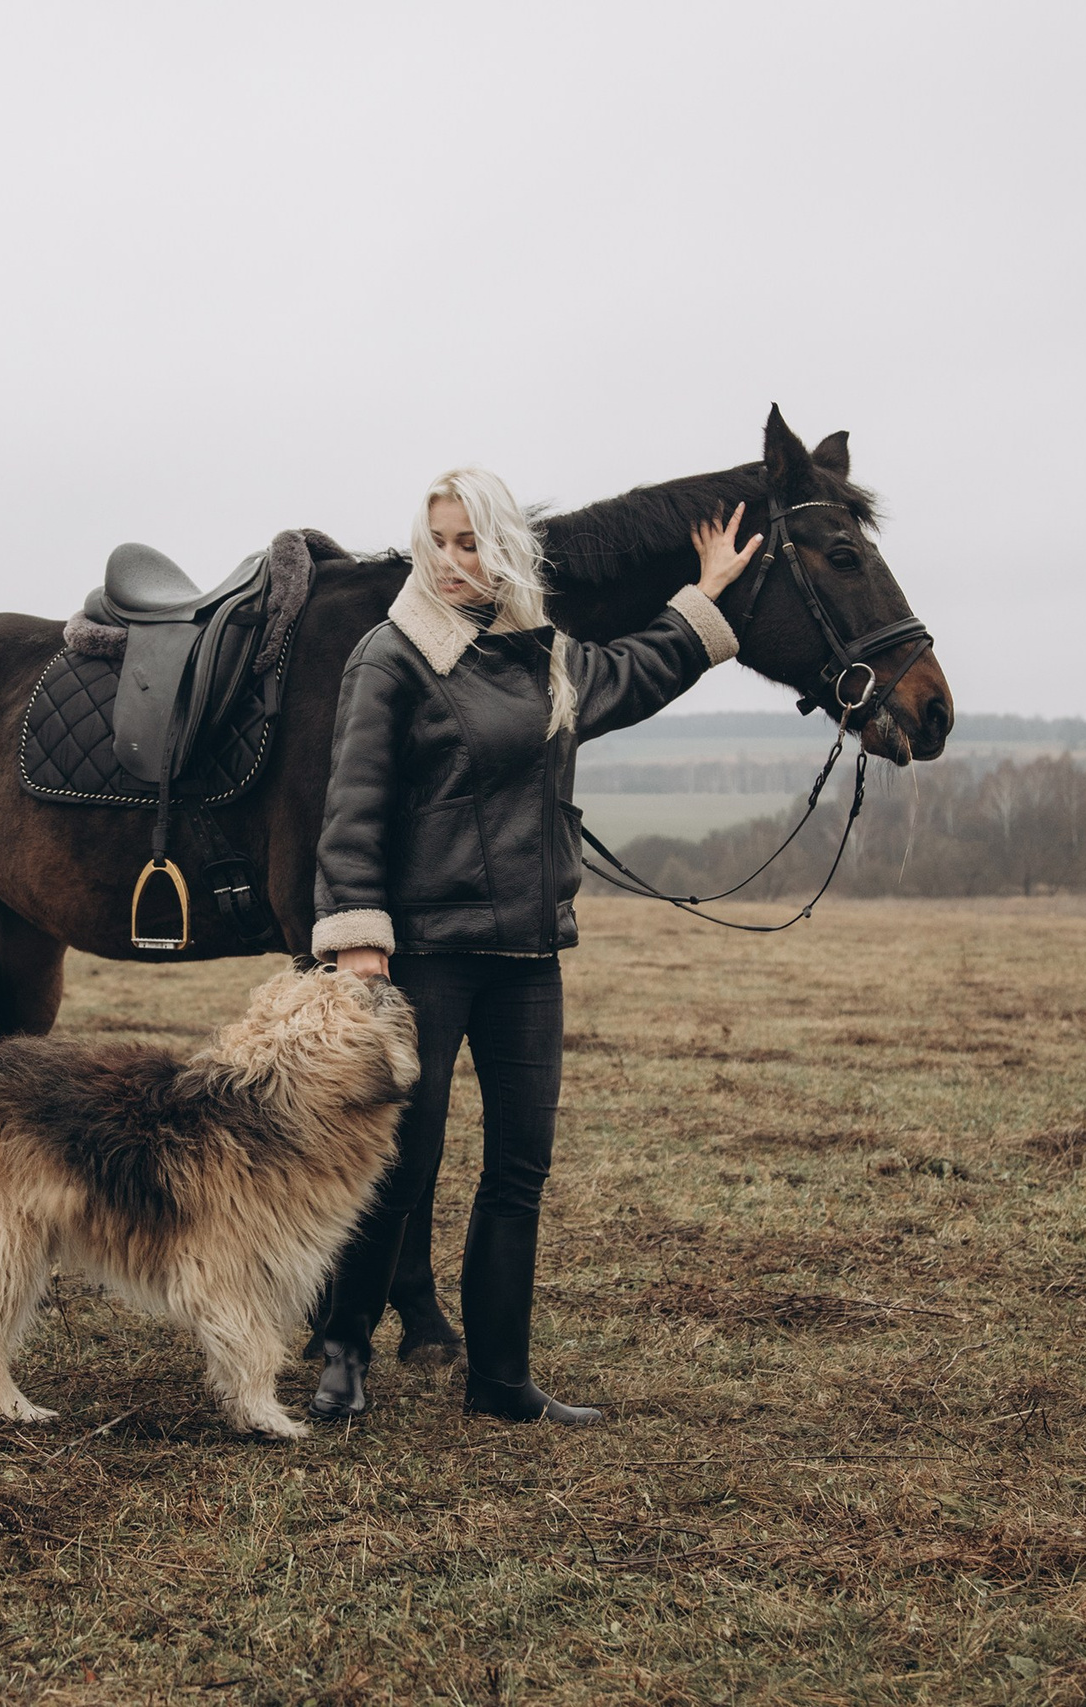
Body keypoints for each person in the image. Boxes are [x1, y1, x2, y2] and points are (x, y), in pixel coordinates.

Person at [308, 467, 757, 1424]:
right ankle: (342, 1351)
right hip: (422, 956)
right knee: (399, 1164)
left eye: (471, 540)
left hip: (527, 958)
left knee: (520, 1169)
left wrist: (706, 598)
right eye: (439, 540)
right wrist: (358, 945)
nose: (455, 560)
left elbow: (634, 671)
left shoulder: (543, 654)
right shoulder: (390, 657)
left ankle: (501, 1381)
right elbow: (352, 812)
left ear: (505, 544)